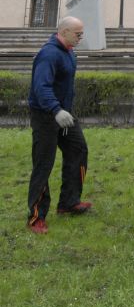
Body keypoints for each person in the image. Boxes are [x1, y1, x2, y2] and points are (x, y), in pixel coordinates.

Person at [27, 16, 91, 233]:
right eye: (78, 34)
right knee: (44, 163)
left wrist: (64, 111)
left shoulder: (69, 52)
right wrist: (56, 110)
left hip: (64, 115)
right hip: (46, 116)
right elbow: (41, 87)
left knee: (78, 149)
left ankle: (68, 202)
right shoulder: (49, 54)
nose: (81, 38)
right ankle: (36, 217)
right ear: (63, 32)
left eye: (81, 34)